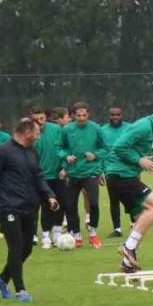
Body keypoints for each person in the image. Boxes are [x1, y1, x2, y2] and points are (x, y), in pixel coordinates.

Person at [0, 118, 59, 302]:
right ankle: (20, 290)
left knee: (27, 249)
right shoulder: (2, 151)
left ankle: (2, 279)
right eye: (37, 132)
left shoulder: (31, 152)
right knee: (15, 248)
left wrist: (49, 195)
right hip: (8, 207)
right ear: (26, 132)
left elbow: (38, 176)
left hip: (29, 206)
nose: (39, 135)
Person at [104, 104, 153, 272]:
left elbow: (135, 152)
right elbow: (119, 147)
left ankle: (128, 263)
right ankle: (128, 247)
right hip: (120, 175)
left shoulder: (152, 129)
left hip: (124, 175)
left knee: (142, 218)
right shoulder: (144, 126)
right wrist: (139, 161)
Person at [60, 102, 108, 249]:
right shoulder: (67, 129)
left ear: (88, 114)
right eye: (78, 115)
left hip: (91, 172)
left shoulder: (96, 128)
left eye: (84, 115)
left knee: (93, 203)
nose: (81, 118)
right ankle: (76, 235)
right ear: (73, 115)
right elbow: (59, 148)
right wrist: (66, 156)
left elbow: (105, 148)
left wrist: (95, 155)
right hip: (73, 173)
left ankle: (93, 233)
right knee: (70, 205)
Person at [29, 107, 68, 248]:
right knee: (41, 206)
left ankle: (57, 233)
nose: (39, 122)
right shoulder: (29, 132)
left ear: (47, 117)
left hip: (58, 174)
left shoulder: (57, 130)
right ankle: (43, 236)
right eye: (36, 119)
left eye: (42, 118)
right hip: (38, 177)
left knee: (60, 204)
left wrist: (64, 167)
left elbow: (65, 148)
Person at [99, 105, 131, 237]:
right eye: (113, 115)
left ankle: (134, 224)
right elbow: (100, 150)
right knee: (114, 200)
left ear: (121, 115)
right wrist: (100, 170)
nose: (115, 117)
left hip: (128, 169)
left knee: (131, 198)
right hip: (110, 170)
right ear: (109, 116)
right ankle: (117, 229)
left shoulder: (130, 128)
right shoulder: (102, 130)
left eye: (118, 115)